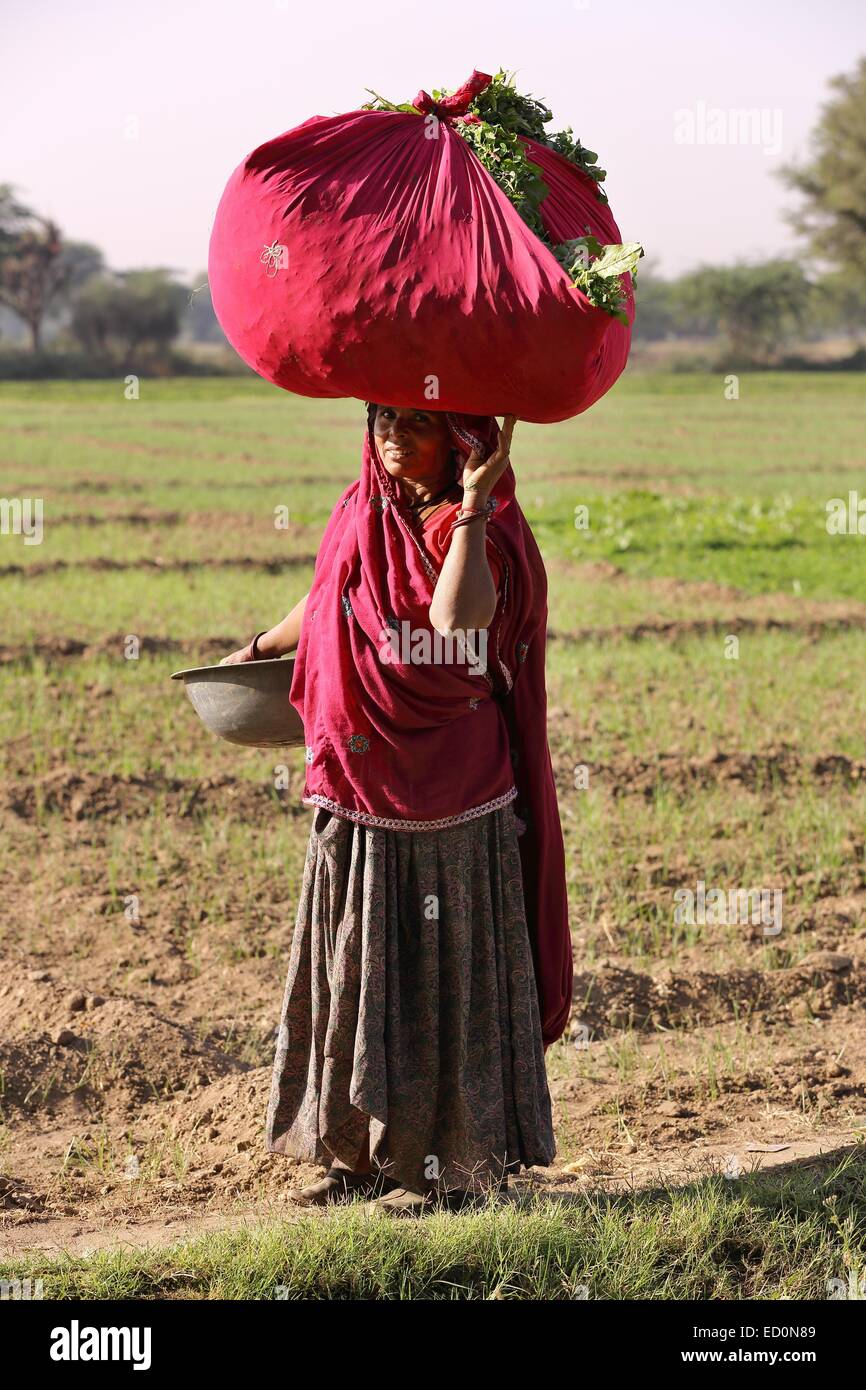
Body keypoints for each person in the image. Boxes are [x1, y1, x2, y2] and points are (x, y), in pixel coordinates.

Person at [220, 403, 573, 1215]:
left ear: (463, 439)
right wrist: (260, 649)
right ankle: (357, 1159)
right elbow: (327, 600)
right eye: (384, 419)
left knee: (449, 985)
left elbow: (457, 619)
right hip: (357, 781)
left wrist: (479, 501)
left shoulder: (487, 524)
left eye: (417, 424)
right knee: (356, 972)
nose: (392, 437)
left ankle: (464, 1168)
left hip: (452, 796)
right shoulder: (362, 509)